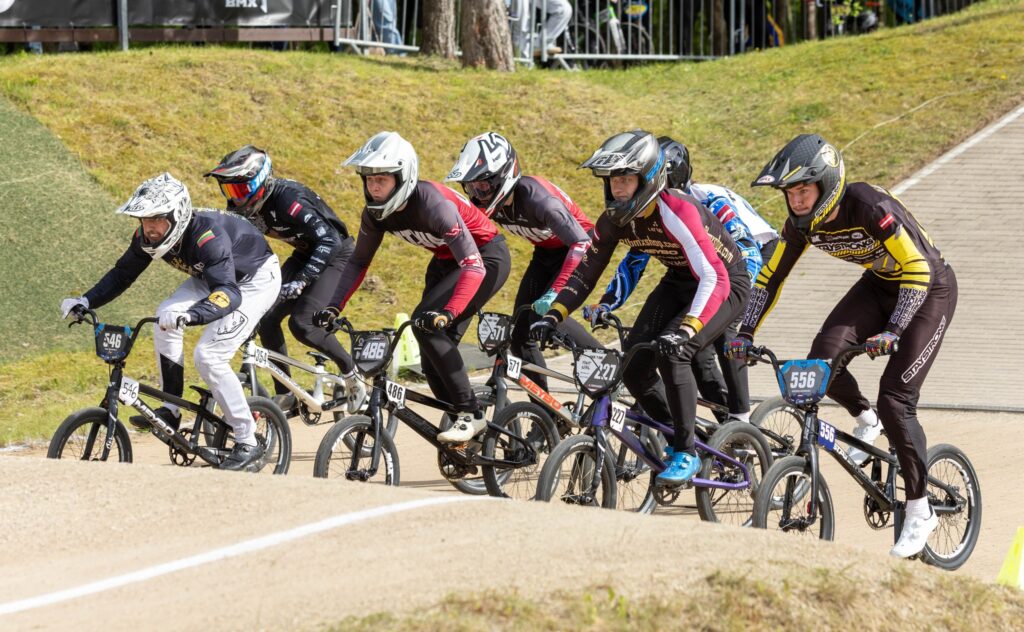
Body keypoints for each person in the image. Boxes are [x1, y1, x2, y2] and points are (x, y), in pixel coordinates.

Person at [726, 133, 957, 558]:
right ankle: (865, 419)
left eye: (803, 190)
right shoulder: (802, 224)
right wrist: (745, 332)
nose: (795, 201)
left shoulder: (867, 204)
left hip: (928, 289)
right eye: (789, 193)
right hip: (880, 285)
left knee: (897, 399)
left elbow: (918, 268)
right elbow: (770, 277)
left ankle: (920, 508)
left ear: (826, 183)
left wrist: (894, 330)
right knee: (820, 363)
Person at [530, 130, 750, 485]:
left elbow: (716, 278)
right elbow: (586, 274)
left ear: (648, 178)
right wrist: (555, 315)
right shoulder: (614, 220)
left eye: (626, 180)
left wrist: (688, 329)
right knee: (633, 363)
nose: (617, 189)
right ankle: (680, 434)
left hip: (727, 283)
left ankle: (686, 451)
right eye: (613, 181)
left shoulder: (678, 210)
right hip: (680, 280)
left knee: (676, 353)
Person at [60, 173, 281, 471]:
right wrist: (85, 301)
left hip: (253, 280)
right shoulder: (146, 236)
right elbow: (122, 274)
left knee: (209, 355)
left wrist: (192, 315)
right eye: (143, 219)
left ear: (177, 215)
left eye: (157, 219)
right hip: (212, 277)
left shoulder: (207, 237)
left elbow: (229, 293)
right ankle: (171, 409)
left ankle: (248, 439)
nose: (149, 228)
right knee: (163, 317)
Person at [313, 131, 511, 443]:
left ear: (403, 176)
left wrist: (447, 313)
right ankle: (469, 433)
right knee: (432, 359)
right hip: (447, 262)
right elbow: (357, 262)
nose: (374, 187)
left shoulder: (432, 205)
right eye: (369, 179)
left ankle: (470, 414)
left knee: (426, 324)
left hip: (485, 258)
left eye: (382, 179)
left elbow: (474, 266)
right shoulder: (375, 214)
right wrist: (333, 305)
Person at [585, 135, 778, 423]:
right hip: (701, 269)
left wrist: (727, 308)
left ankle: (740, 418)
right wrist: (608, 303)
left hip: (752, 254)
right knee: (685, 346)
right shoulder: (653, 208)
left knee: (722, 337)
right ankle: (709, 421)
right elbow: (634, 261)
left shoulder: (710, 201)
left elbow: (747, 253)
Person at [204, 145, 365, 415]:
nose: (235, 198)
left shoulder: (288, 200)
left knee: (303, 324)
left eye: (241, 190)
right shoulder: (243, 208)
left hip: (338, 254)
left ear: (260, 182)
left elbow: (330, 239)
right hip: (305, 253)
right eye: (230, 191)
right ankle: (287, 394)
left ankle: (352, 372)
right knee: (265, 317)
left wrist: (302, 280)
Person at [446, 131, 600, 390]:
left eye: (482, 186)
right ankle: (546, 414)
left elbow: (582, 244)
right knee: (519, 334)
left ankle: (605, 364)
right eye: (470, 187)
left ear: (503, 175)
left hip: (580, 250)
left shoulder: (539, 201)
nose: (478, 195)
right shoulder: (492, 203)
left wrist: (554, 294)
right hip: (546, 253)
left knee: (550, 317)